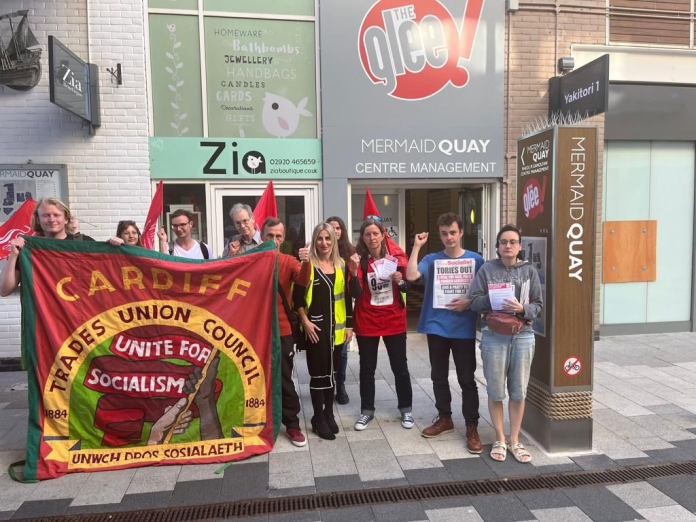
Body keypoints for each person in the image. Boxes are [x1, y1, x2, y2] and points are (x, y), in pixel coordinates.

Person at [406, 213, 484, 453]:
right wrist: (417, 246)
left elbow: (483, 292)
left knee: (466, 379)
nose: (448, 237)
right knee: (438, 376)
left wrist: (469, 303)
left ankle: (472, 426)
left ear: (461, 232)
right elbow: (411, 276)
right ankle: (445, 418)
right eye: (443, 233)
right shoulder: (431, 259)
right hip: (437, 327)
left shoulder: (476, 260)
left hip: (463, 329)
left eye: (452, 232)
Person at [468, 224, 542, 463]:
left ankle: (515, 439)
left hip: (523, 335)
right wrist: (494, 297)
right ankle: (499, 437)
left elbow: (538, 305)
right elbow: (473, 302)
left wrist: (523, 309)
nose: (508, 246)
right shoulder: (487, 269)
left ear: (520, 246)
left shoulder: (529, 271)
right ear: (498, 246)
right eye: (503, 242)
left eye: (512, 242)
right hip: (493, 335)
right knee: (496, 390)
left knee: (519, 391)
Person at [293, 223, 360, 440]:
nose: (324, 243)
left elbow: (348, 297)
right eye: (320, 238)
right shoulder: (308, 266)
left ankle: (329, 414)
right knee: (318, 375)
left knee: (331, 374)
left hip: (337, 331)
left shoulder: (341, 265)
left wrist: (349, 326)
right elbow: (298, 298)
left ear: (334, 240)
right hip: (316, 329)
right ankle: (318, 418)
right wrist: (305, 322)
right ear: (314, 241)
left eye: (328, 238)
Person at [352, 216, 413, 431]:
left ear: (382, 234)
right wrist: (353, 270)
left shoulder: (395, 257)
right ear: (363, 237)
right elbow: (356, 292)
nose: (372, 237)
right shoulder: (360, 260)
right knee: (367, 369)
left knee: (400, 367)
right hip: (367, 321)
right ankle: (366, 411)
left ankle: (406, 409)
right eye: (367, 234)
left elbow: (407, 288)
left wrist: (400, 280)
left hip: (393, 320)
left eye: (375, 233)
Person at [262, 216, 307, 447]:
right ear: (262, 237)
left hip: (282, 330)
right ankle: (261, 422)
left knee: (284, 378)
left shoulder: (289, 261)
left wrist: (308, 262)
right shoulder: (248, 260)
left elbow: (303, 283)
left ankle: (292, 424)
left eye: (279, 236)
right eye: (270, 235)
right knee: (256, 378)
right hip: (255, 330)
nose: (274, 240)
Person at [0, 198, 94, 297]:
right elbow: (4, 291)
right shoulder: (27, 248)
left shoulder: (84, 243)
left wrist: (111, 248)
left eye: (56, 215)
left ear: (66, 219)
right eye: (46, 215)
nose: (52, 220)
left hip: (79, 310)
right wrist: (13, 255)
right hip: (42, 311)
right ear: (38, 219)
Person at [326, 216, 356, 405]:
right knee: (325, 354)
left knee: (342, 353)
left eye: (338, 228)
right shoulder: (318, 252)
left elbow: (349, 292)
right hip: (322, 315)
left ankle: (341, 385)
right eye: (331, 228)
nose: (335, 231)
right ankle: (326, 386)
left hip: (342, 313)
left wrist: (350, 324)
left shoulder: (349, 253)